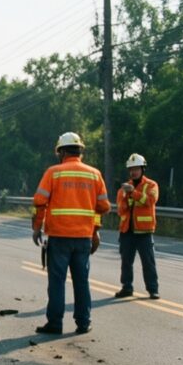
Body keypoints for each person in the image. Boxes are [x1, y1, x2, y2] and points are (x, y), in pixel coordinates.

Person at [31, 132, 111, 335]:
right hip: (83, 238)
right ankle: (83, 323)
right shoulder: (94, 174)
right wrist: (95, 232)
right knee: (82, 282)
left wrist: (36, 227)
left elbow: (40, 202)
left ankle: (55, 324)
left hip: (59, 237)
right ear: (80, 152)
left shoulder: (54, 172)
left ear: (62, 152)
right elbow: (102, 207)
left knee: (57, 282)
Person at [114, 153, 160, 300]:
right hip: (127, 231)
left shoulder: (151, 185)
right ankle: (126, 288)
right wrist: (126, 197)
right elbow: (120, 210)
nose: (133, 171)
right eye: (131, 169)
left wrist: (133, 193)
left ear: (142, 169)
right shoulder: (122, 190)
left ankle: (153, 289)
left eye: (136, 169)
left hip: (144, 231)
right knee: (126, 262)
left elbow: (150, 201)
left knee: (148, 262)